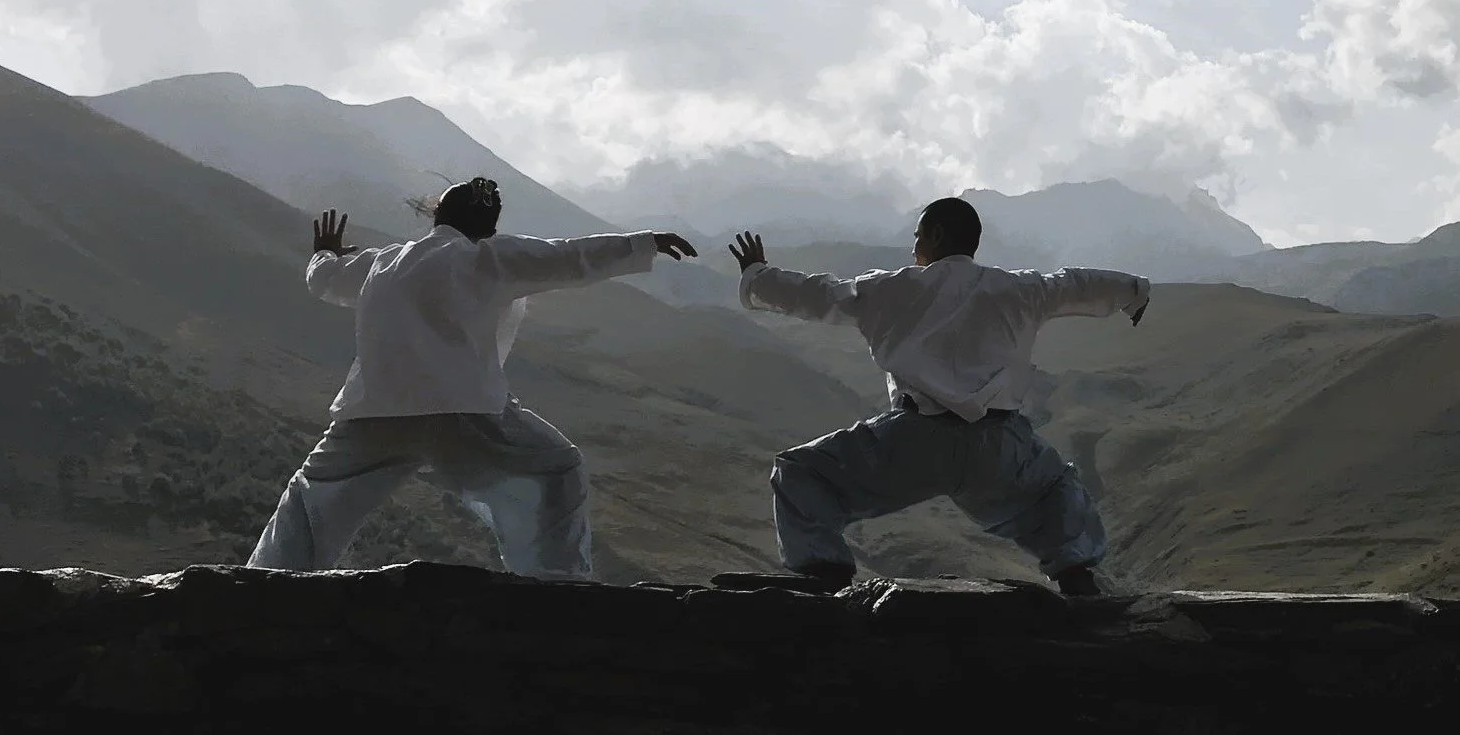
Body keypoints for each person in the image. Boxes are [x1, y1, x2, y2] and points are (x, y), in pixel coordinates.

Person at [247, 177, 698, 580]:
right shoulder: (489, 257)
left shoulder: (380, 263)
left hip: (372, 412)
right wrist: (643, 244)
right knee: (558, 469)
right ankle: (556, 580)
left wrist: (324, 253)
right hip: (467, 412)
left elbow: (325, 280)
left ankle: (266, 582)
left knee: (312, 496)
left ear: (436, 216)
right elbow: (568, 256)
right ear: (489, 228)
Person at [727, 196, 1149, 597]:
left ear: (937, 235)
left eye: (918, 235)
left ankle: (824, 570)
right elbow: (1076, 283)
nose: (913, 247)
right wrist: (1135, 292)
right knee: (1057, 486)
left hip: (912, 442)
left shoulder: (891, 288)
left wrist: (758, 275)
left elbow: (819, 295)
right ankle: (1075, 572)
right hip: (999, 449)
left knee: (800, 471)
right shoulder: (1021, 288)